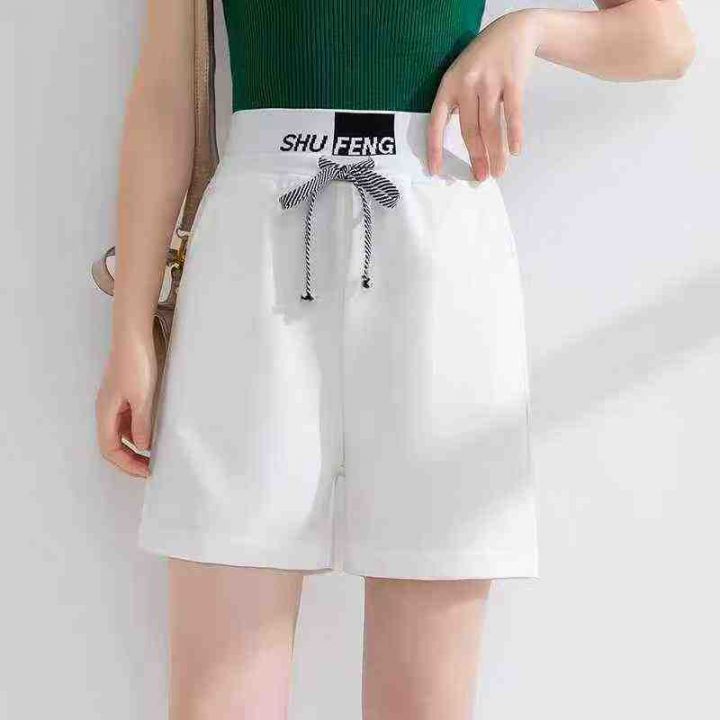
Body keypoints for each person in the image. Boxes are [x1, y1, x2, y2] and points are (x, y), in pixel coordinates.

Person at [95, 1, 694, 718]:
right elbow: (166, 94)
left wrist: (530, 30)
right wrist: (131, 329)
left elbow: (665, 38)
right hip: (250, 260)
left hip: (438, 255)